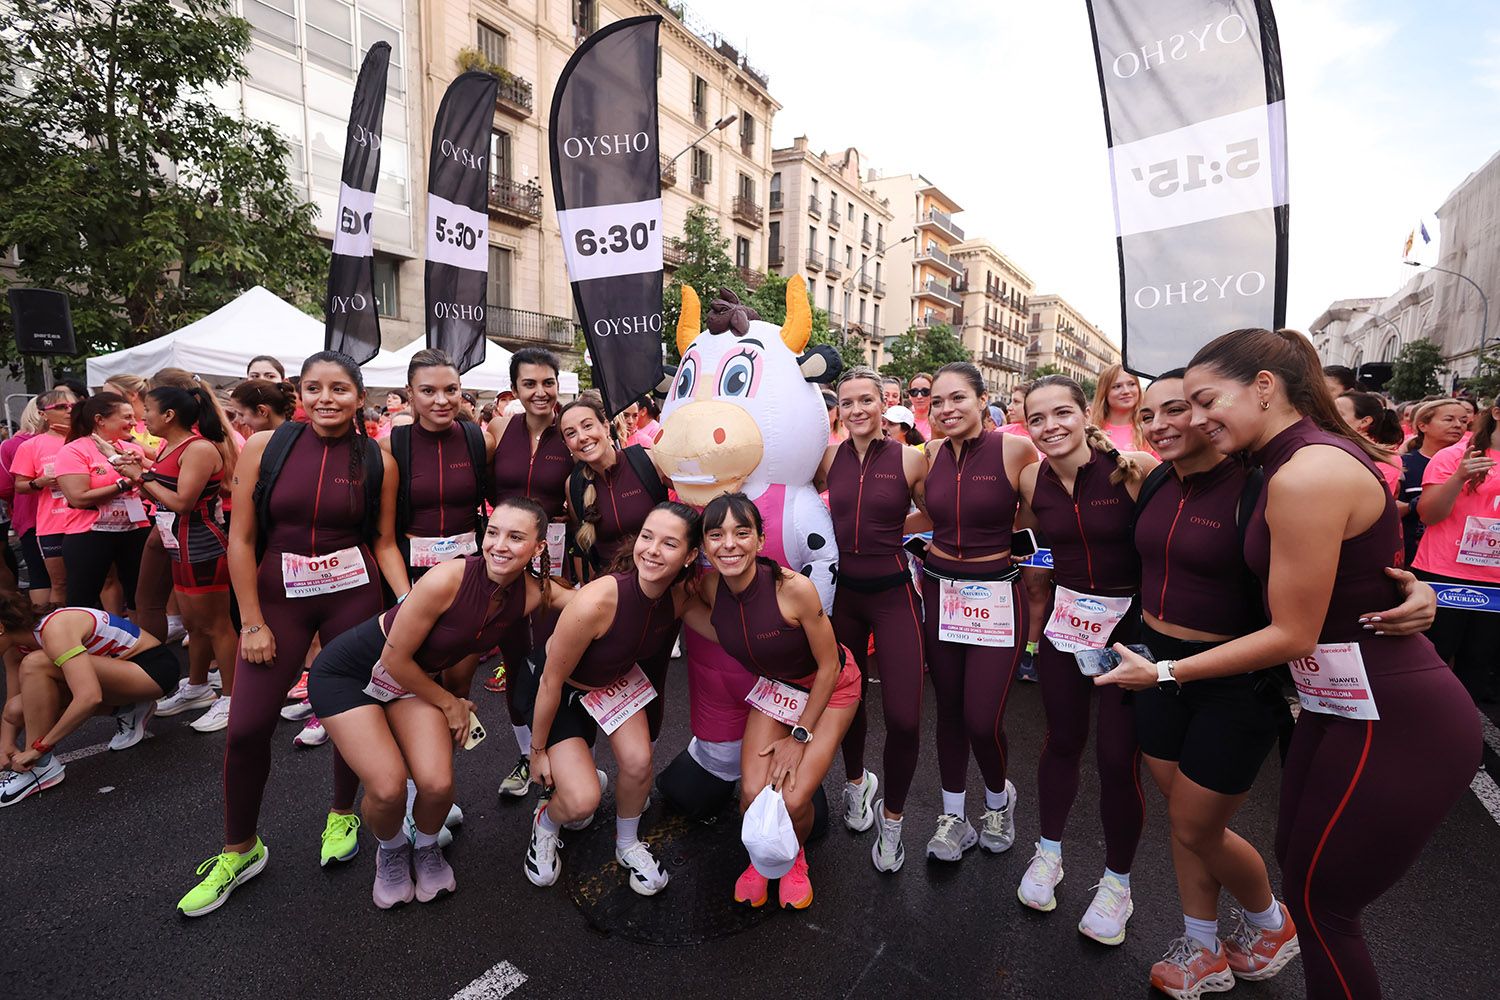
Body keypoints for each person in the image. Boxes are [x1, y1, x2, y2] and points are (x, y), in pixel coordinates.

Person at [1097, 328, 1480, 1000]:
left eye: (1199, 402)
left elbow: (1297, 626)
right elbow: (1361, 556)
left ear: (1265, 388)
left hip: (1357, 700)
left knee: (1319, 902)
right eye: (1157, 412)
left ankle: (1264, 929)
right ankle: (1215, 941)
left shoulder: (1291, 473)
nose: (1186, 420)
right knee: (1293, 871)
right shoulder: (1240, 468)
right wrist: (1408, 587)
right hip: (1323, 698)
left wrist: (1165, 674)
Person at [176, 350, 409, 918]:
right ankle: (240, 849)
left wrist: (407, 604)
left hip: (353, 594)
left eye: (339, 389)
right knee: (246, 728)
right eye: (314, 388)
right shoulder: (266, 446)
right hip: (277, 599)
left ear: (360, 397)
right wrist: (251, 621)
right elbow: (241, 540)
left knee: (353, 719)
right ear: (298, 394)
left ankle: (342, 813)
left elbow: (382, 541)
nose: (326, 398)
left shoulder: (378, 460)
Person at [308, 498, 567, 908]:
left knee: (437, 784)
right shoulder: (447, 578)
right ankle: (392, 850)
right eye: (493, 532)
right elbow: (393, 659)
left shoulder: (532, 594)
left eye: (516, 537)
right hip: (351, 676)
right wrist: (450, 703)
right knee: (388, 788)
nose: (500, 545)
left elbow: (592, 601)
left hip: (411, 683)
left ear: (538, 547)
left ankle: (426, 846)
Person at [1130, 371, 1300, 996]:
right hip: (1154, 670)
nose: (1159, 425)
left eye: (1176, 409)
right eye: (1148, 415)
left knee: (1199, 825)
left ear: (1208, 413)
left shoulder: (1261, 486)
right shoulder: (1154, 479)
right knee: (1184, 819)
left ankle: (1270, 921)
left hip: (1234, 680)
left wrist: (1416, 594)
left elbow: (1333, 568)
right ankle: (1202, 945)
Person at [1012, 374, 1155, 943]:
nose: (1050, 427)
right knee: (1061, 741)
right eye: (1037, 418)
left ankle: (1118, 883)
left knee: (1118, 759)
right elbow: (1022, 536)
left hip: (1129, 631)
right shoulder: (1032, 478)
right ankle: (1049, 853)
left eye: (1062, 413)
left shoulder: (1133, 469)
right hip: (1065, 626)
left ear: (1084, 414)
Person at [682, 493, 860, 909]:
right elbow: (685, 606)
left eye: (741, 532)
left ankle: (794, 857)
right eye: (716, 535)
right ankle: (762, 861)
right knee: (750, 793)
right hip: (777, 686)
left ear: (760, 540)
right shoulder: (709, 586)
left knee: (792, 799)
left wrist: (799, 737)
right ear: (703, 546)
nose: (729, 544)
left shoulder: (794, 589)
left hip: (831, 687)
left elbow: (829, 666)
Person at [527, 502, 701, 895]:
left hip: (613, 684)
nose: (652, 550)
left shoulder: (678, 598)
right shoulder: (597, 601)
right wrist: (536, 753)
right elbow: (550, 681)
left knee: (639, 763)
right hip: (561, 691)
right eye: (647, 537)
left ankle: (627, 843)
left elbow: (728, 631)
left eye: (669, 543)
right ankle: (546, 822)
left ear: (690, 556)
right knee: (581, 802)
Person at [910, 361, 1038, 862]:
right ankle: (953, 817)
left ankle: (999, 801)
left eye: (958, 398)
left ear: (983, 400)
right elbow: (930, 511)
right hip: (941, 592)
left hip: (997, 597)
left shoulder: (1014, 449)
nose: (946, 409)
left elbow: (1033, 514)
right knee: (947, 711)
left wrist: (1009, 550)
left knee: (982, 720)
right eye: (938, 401)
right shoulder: (931, 453)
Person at [814, 366, 928, 872]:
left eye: (867, 400)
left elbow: (936, 512)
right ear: (838, 409)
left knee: (904, 717)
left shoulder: (910, 458)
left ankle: (894, 821)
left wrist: (894, 529)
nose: (857, 409)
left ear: (884, 404)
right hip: (845, 597)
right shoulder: (828, 457)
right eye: (848, 402)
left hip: (894, 594)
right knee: (848, 702)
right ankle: (857, 783)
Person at [485, 347, 575, 798]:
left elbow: (587, 497)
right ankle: (526, 754)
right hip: (502, 566)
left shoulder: (571, 432)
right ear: (514, 389)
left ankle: (563, 752)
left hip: (554, 564)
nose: (540, 392)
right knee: (515, 657)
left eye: (548, 382)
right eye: (529, 384)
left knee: (557, 660)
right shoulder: (500, 429)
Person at [0, 596, 182, 806]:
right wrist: (6, 744)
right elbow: (15, 702)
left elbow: (89, 698)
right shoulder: (14, 644)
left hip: (153, 670)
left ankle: (40, 768)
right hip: (118, 673)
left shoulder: (55, 630)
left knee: (36, 663)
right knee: (16, 710)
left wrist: (39, 749)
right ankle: (128, 708)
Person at [133, 382, 237, 729]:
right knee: (194, 624)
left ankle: (232, 698)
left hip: (201, 545)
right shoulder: (170, 446)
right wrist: (141, 474)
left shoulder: (198, 449)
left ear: (169, 415)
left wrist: (140, 477)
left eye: (148, 410)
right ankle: (197, 686)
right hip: (178, 542)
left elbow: (182, 503)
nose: (144, 417)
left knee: (217, 625)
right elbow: (163, 493)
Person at [1413, 395, 1500, 703]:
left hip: (1494, 582)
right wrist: (1460, 477)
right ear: (1496, 413)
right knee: (1430, 663)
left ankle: (1466, 730)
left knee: (1479, 669)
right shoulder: (1455, 455)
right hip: (1444, 573)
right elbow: (1428, 514)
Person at [384, 350, 492, 585]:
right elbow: (383, 537)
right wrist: (404, 595)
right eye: (428, 391)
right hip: (413, 570)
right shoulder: (391, 447)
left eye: (451, 390)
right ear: (410, 393)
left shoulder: (481, 442)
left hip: (470, 567)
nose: (442, 400)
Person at [54, 392, 151, 611]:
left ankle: (138, 634)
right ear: (100, 420)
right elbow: (78, 497)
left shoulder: (133, 450)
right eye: (126, 417)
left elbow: (147, 489)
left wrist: (142, 479)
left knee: (140, 599)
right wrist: (125, 483)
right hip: (89, 532)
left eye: (133, 417)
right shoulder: (74, 450)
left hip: (134, 528)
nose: (133, 423)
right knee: (82, 600)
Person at [10, 388, 78, 603]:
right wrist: (40, 482)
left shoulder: (86, 439)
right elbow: (20, 486)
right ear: (42, 414)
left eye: (73, 406)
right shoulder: (31, 446)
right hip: (53, 523)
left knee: (103, 580)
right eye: (61, 407)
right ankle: (59, 622)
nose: (69, 411)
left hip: (88, 521)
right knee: (60, 583)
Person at [2, 397, 58, 605]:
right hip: (64, 515)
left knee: (39, 574)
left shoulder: (11, 445)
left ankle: (41, 622)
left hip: (30, 516)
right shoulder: (68, 441)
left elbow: (5, 487)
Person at [1398, 398, 1467, 564]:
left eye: (1464, 421)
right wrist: (1414, 505)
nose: (1458, 425)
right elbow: (1386, 509)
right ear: (1423, 426)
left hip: (1456, 555)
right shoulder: (1402, 464)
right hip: (1412, 555)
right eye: (1449, 419)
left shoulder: (1472, 464)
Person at [1335, 391, 1404, 499]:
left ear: (1365, 421)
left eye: (1338, 413)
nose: (1328, 416)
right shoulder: (1331, 446)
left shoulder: (1385, 458)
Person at [1090, 364, 1147, 451]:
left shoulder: (1150, 428)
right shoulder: (1090, 430)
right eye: (1117, 386)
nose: (1126, 391)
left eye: (1131, 384)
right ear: (1104, 392)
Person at [230, 379, 297, 436]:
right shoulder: (298, 435)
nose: (239, 421)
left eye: (241, 414)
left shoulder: (259, 441)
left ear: (262, 411)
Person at [906, 373, 933, 441]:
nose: (919, 396)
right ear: (909, 396)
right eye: (914, 392)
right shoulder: (904, 422)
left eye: (925, 391)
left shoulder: (940, 422)